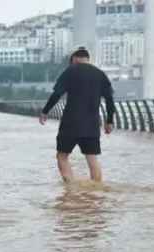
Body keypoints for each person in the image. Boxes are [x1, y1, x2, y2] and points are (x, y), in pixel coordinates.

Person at [39, 47, 115, 183]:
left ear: (74, 58)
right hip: (92, 125)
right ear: (88, 59)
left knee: (62, 157)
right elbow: (109, 100)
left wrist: (45, 111)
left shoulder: (70, 71)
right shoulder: (100, 74)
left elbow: (57, 94)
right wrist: (109, 121)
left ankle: (70, 190)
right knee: (92, 159)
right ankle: (96, 192)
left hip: (70, 123)